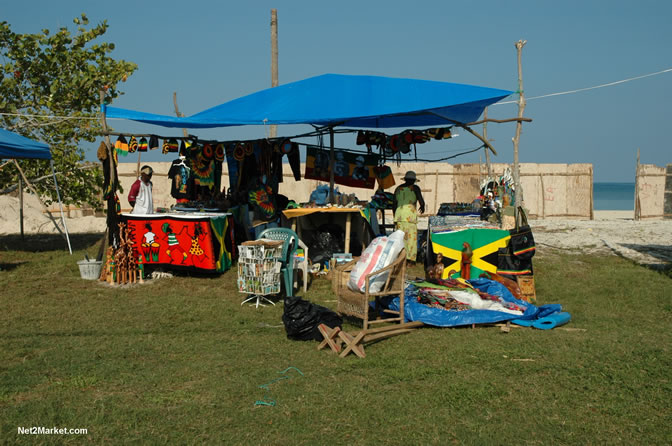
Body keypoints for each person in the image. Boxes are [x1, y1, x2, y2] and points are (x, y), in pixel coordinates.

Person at [393, 170, 425, 264]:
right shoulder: (415, 188)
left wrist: (395, 214)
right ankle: (410, 260)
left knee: (400, 238)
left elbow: (394, 203)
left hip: (399, 216)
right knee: (411, 239)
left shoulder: (398, 188)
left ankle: (400, 259)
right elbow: (421, 201)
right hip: (410, 217)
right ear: (414, 180)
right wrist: (422, 206)